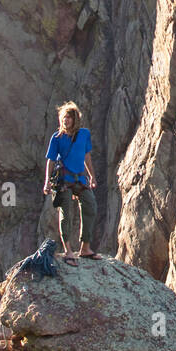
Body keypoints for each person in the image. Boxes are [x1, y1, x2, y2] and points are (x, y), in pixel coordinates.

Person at [42, 101, 100, 264]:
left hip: (79, 179)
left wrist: (92, 176)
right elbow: (51, 161)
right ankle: (68, 251)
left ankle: (85, 248)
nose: (65, 121)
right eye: (63, 118)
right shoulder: (57, 137)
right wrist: (47, 182)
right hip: (63, 180)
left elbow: (86, 156)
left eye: (68, 118)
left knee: (90, 206)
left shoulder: (84, 134)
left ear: (75, 119)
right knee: (66, 213)